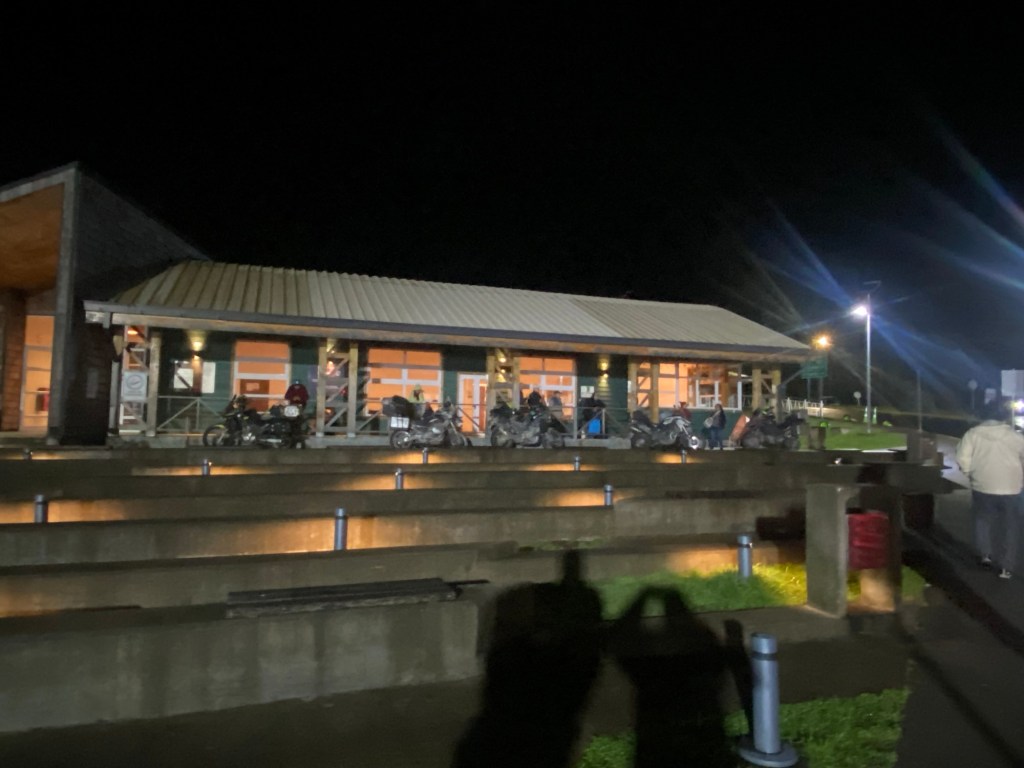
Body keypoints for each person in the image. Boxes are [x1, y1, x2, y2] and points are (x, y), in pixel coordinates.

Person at [956, 400, 1024, 579]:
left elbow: (962, 458)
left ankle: (985, 555)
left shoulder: (973, 434)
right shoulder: (1015, 437)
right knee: (1010, 526)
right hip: (1011, 487)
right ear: (1004, 417)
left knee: (983, 521)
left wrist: (970, 473)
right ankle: (1006, 567)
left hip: (983, 485)